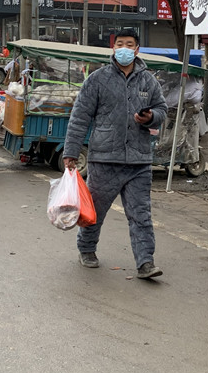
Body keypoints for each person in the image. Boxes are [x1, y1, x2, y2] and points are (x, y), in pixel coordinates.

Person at [62, 28, 167, 278]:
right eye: (120, 44)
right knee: (94, 212)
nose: (124, 49)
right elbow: (80, 117)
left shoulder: (149, 81)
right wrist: (71, 152)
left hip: (139, 161)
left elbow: (162, 110)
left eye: (129, 44)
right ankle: (87, 249)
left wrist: (151, 117)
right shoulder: (97, 79)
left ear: (137, 49)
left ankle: (145, 262)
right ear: (113, 47)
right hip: (104, 160)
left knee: (141, 215)